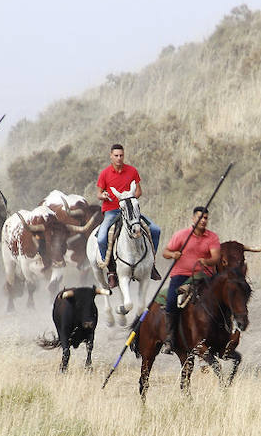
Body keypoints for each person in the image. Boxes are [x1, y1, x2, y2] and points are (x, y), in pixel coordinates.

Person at [95, 144, 163, 282]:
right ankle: (111, 270)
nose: (119, 158)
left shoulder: (132, 171)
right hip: (111, 211)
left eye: (121, 155)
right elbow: (99, 194)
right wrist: (104, 195)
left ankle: (151, 264)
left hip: (131, 210)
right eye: (116, 156)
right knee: (102, 238)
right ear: (111, 156)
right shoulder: (105, 173)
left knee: (155, 230)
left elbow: (139, 191)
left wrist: (130, 198)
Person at [160, 206, 222, 353]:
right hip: (181, 274)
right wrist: (173, 254)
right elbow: (165, 252)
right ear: (193, 218)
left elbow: (215, 257)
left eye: (206, 218)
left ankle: (225, 330)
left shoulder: (212, 237)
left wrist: (206, 262)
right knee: (170, 301)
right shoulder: (181, 235)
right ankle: (170, 337)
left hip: (204, 275)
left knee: (223, 298)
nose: (203, 221)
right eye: (200, 217)